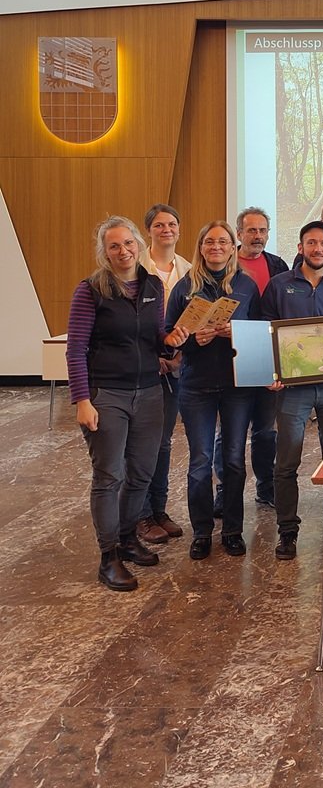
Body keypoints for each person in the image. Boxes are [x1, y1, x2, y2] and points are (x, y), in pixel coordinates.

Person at [66, 216, 188, 591]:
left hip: (151, 392)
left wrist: (172, 339)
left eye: (128, 243)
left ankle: (127, 538)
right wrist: (83, 400)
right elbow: (76, 349)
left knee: (141, 473)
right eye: (114, 246)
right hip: (108, 395)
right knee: (109, 476)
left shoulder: (152, 285)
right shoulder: (91, 290)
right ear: (104, 251)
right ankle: (108, 557)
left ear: (139, 245)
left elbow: (154, 337)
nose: (123, 251)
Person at [261, 221, 323, 560]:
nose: (318, 249)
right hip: (292, 390)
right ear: (301, 246)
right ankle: (287, 531)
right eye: (311, 243)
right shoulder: (278, 286)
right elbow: (266, 335)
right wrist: (270, 371)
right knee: (286, 461)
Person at [166, 221, 260, 561]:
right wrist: (192, 341)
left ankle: (233, 531)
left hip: (237, 386)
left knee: (234, 461)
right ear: (201, 247)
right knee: (200, 462)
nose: (216, 246)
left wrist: (237, 333)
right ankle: (202, 532)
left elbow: (262, 333)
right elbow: (168, 338)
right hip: (196, 387)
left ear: (233, 247)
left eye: (223, 241)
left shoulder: (247, 286)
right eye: (209, 241)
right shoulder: (183, 288)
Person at [214, 206, 290, 512]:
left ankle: (266, 487)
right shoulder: (224, 266)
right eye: (251, 230)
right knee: (229, 432)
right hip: (228, 358)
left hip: (267, 356)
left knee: (265, 430)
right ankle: (224, 490)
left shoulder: (278, 265)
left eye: (262, 231)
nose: (257, 236)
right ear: (239, 233)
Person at [135, 203, 190, 545]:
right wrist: (152, 357)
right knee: (140, 444)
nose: (166, 229)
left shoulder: (188, 269)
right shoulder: (134, 267)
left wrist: (178, 358)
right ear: (149, 230)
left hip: (176, 366)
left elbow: (193, 317)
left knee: (164, 442)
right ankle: (140, 515)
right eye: (159, 224)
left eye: (171, 223)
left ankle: (159, 509)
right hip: (142, 367)